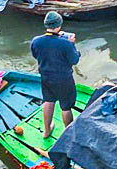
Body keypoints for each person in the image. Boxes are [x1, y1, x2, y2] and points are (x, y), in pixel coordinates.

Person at [31, 10, 80, 139]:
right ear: (59, 25)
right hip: (64, 80)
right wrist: (72, 45)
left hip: (46, 77)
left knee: (48, 100)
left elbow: (36, 55)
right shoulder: (65, 43)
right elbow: (74, 60)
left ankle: (47, 131)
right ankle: (69, 135)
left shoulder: (36, 41)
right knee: (66, 107)